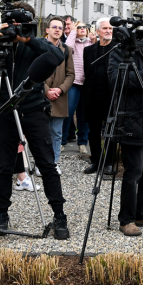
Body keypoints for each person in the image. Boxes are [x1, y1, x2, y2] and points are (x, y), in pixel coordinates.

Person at [0, 4, 69, 237]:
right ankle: (1, 215)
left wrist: (27, 39)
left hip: (33, 109)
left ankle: (59, 216)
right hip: (5, 110)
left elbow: (58, 56)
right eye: (14, 26)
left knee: (47, 164)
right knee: (5, 167)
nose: (16, 31)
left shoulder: (36, 44)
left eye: (23, 26)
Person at [106, 27, 143, 236]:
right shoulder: (120, 52)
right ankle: (126, 219)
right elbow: (118, 80)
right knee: (133, 173)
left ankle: (141, 212)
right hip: (133, 120)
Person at [83, 17, 118, 175]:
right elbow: (87, 73)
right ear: (97, 31)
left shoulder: (118, 49)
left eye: (110, 29)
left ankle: (109, 162)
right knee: (93, 131)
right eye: (105, 28)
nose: (109, 31)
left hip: (111, 96)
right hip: (93, 96)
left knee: (111, 130)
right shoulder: (88, 51)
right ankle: (96, 161)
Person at [42, 16, 74, 165]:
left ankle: (53, 163)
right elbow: (32, 73)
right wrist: (46, 90)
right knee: (41, 135)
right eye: (54, 27)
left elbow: (71, 74)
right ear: (47, 30)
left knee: (56, 133)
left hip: (59, 98)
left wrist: (60, 90)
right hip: (41, 97)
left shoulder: (67, 50)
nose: (57, 30)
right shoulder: (39, 46)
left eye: (60, 28)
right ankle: (41, 163)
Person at [63, 20, 92, 155]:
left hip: (87, 84)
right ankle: (62, 141)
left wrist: (94, 39)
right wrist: (73, 32)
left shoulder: (90, 43)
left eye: (83, 27)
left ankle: (82, 143)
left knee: (84, 115)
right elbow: (66, 49)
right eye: (79, 27)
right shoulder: (72, 43)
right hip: (73, 83)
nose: (81, 29)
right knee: (68, 112)